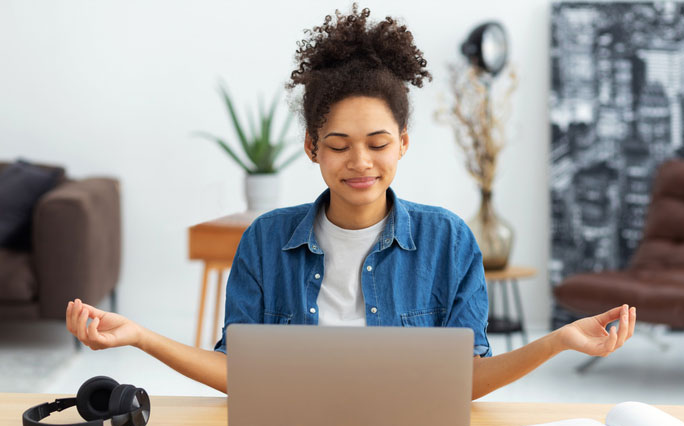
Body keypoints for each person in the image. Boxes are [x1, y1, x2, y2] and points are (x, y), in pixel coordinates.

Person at [66, 5, 636, 399]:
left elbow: (465, 379)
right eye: (338, 145)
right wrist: (139, 335)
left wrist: (559, 340)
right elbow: (239, 371)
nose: (360, 162)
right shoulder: (266, 241)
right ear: (313, 147)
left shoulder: (447, 241)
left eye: (378, 144)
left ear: (404, 145)